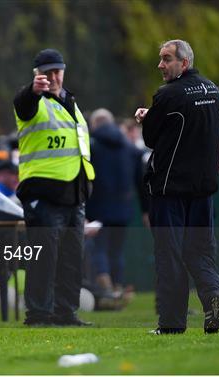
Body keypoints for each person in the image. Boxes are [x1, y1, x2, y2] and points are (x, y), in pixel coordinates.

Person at [134, 39, 219, 334]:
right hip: (203, 190)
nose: (160, 65)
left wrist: (145, 118)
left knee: (169, 256)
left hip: (170, 190)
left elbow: (151, 139)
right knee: (200, 252)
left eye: (166, 59)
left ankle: (172, 324)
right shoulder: (213, 91)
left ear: (183, 63)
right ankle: (213, 295)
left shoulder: (168, 94)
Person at [13, 48, 95, 326]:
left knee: (72, 258)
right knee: (43, 258)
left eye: (57, 70)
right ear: (37, 76)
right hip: (43, 193)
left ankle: (65, 312)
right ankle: (38, 314)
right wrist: (32, 90)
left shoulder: (69, 100)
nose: (54, 76)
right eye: (47, 72)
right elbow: (23, 103)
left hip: (74, 191)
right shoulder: (33, 100)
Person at [85, 108, 146, 307]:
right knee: (117, 252)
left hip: (98, 208)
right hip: (123, 208)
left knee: (99, 249)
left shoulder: (91, 145)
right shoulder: (130, 148)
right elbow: (141, 182)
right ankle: (118, 288)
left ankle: (106, 292)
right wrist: (146, 210)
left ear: (94, 124)